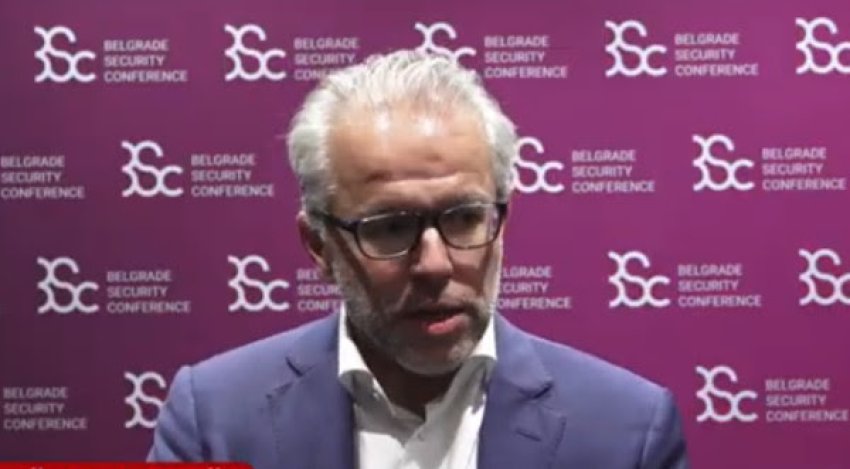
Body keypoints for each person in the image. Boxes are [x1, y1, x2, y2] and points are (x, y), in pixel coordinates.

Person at [148, 49, 689, 468]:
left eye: (463, 218)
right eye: (390, 227)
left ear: (501, 223)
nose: (435, 264)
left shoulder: (627, 432)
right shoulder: (214, 421)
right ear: (319, 246)